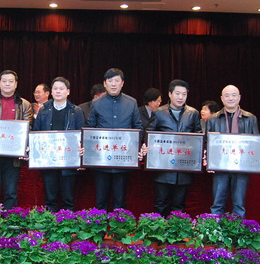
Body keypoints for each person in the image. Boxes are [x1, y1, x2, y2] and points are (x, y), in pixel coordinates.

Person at [87, 68, 143, 210]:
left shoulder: (131, 102)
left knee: (120, 200)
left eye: (117, 81)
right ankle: (99, 224)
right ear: (104, 83)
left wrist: (138, 147)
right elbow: (90, 128)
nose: (113, 84)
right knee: (101, 201)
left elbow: (138, 127)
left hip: (123, 161)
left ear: (122, 83)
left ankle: (119, 224)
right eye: (110, 81)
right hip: (101, 161)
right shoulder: (96, 103)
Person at [0, 70, 32, 209]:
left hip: (13, 155)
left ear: (16, 84)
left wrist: (24, 147)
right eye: (4, 81)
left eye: (10, 81)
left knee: (11, 192)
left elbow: (28, 128)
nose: (7, 84)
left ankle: (10, 219)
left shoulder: (24, 104)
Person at [149, 79, 201, 216]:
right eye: (177, 93)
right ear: (170, 94)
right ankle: (158, 229)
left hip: (184, 168)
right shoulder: (159, 112)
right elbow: (149, 135)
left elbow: (199, 136)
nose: (180, 97)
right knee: (161, 204)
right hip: (163, 168)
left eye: (184, 94)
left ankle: (176, 229)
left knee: (179, 205)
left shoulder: (193, 113)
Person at [32, 77, 85, 211]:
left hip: (69, 161)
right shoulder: (44, 110)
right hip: (48, 161)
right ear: (51, 92)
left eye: (61, 89)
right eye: (55, 89)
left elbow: (81, 135)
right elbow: (36, 133)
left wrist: (81, 154)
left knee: (68, 199)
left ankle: (67, 222)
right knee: (50, 199)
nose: (58, 91)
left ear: (68, 91)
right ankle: (50, 222)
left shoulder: (76, 111)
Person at [206, 85, 259, 218]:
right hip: (219, 166)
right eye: (227, 95)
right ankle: (215, 229)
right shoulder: (213, 119)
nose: (230, 98)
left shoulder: (250, 118)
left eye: (234, 95)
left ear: (239, 97)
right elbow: (207, 142)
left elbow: (257, 143)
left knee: (239, 204)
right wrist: (208, 160)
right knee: (217, 203)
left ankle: (237, 230)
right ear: (222, 98)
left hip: (242, 167)